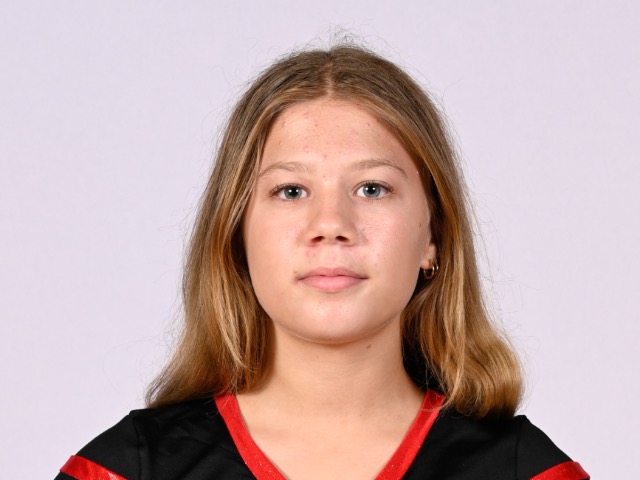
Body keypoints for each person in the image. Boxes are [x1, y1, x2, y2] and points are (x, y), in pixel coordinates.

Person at [55, 44, 589, 480]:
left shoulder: (527, 472)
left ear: (434, 237)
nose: (330, 224)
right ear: (236, 234)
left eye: (372, 188)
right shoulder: (125, 470)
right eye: (291, 190)